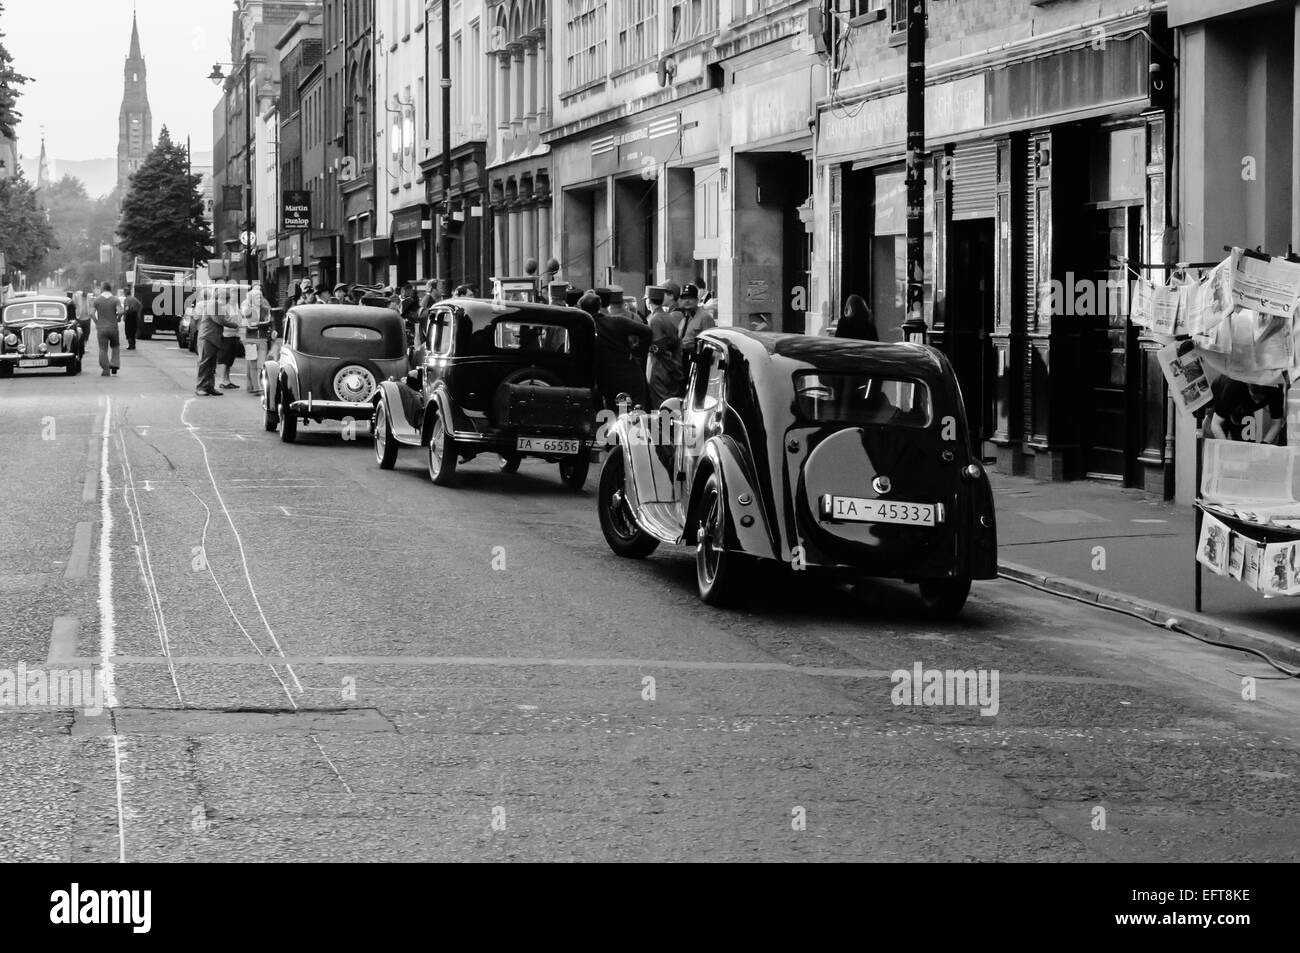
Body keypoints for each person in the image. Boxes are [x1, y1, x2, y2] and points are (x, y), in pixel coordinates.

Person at [584, 291, 651, 412]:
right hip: (629, 375)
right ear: (599, 306)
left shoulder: (585, 329)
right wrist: (638, 354)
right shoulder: (617, 321)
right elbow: (647, 331)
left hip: (607, 381)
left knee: (614, 416)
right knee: (636, 415)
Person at [645, 285, 685, 409]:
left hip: (659, 368)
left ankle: (665, 429)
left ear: (649, 301)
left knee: (660, 406)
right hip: (671, 367)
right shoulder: (668, 316)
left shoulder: (654, 320)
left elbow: (659, 348)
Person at [195, 288, 232, 396]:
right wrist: (235, 324)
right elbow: (220, 320)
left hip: (213, 338)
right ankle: (200, 387)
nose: (228, 301)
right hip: (207, 337)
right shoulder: (214, 305)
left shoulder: (218, 306)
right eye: (226, 298)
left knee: (211, 364)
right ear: (220, 297)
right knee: (205, 363)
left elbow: (223, 318)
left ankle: (209, 386)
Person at [241, 285, 272, 395]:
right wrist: (260, 324)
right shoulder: (248, 310)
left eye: (260, 297)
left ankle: (260, 385)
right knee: (253, 365)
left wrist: (257, 324)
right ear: (251, 299)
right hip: (250, 340)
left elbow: (269, 322)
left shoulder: (266, 310)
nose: (259, 299)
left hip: (262, 339)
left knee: (262, 364)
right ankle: (255, 387)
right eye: (256, 297)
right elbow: (250, 326)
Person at [91, 282, 122, 376]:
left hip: (101, 329)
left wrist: (97, 322)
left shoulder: (97, 300)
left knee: (103, 349)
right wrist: (118, 319)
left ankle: (106, 369)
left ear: (102, 289)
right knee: (115, 347)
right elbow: (120, 311)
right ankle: (115, 364)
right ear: (110, 289)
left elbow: (91, 314)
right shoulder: (115, 299)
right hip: (113, 327)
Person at [216, 289, 243, 389]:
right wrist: (235, 324)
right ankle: (223, 381)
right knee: (224, 358)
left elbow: (239, 319)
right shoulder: (223, 307)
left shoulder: (235, 307)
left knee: (229, 360)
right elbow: (224, 321)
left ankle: (227, 380)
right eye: (233, 295)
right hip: (225, 336)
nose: (235, 297)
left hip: (234, 336)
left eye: (236, 294)